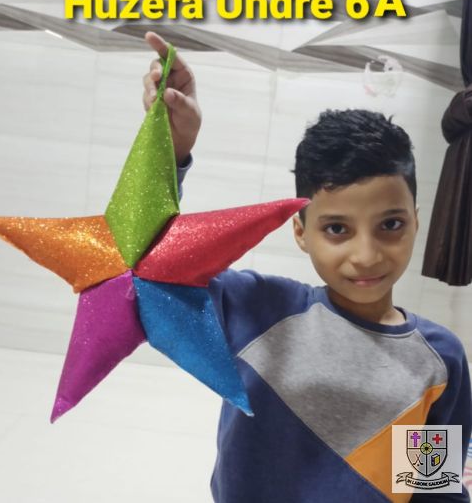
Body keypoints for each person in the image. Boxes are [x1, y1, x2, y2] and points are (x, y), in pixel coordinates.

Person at [141, 31, 472, 503]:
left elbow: (431, 491)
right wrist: (167, 150)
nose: (366, 254)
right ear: (300, 231)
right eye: (337, 228)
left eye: (390, 224)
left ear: (416, 222)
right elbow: (149, 268)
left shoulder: (438, 360)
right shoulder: (257, 308)